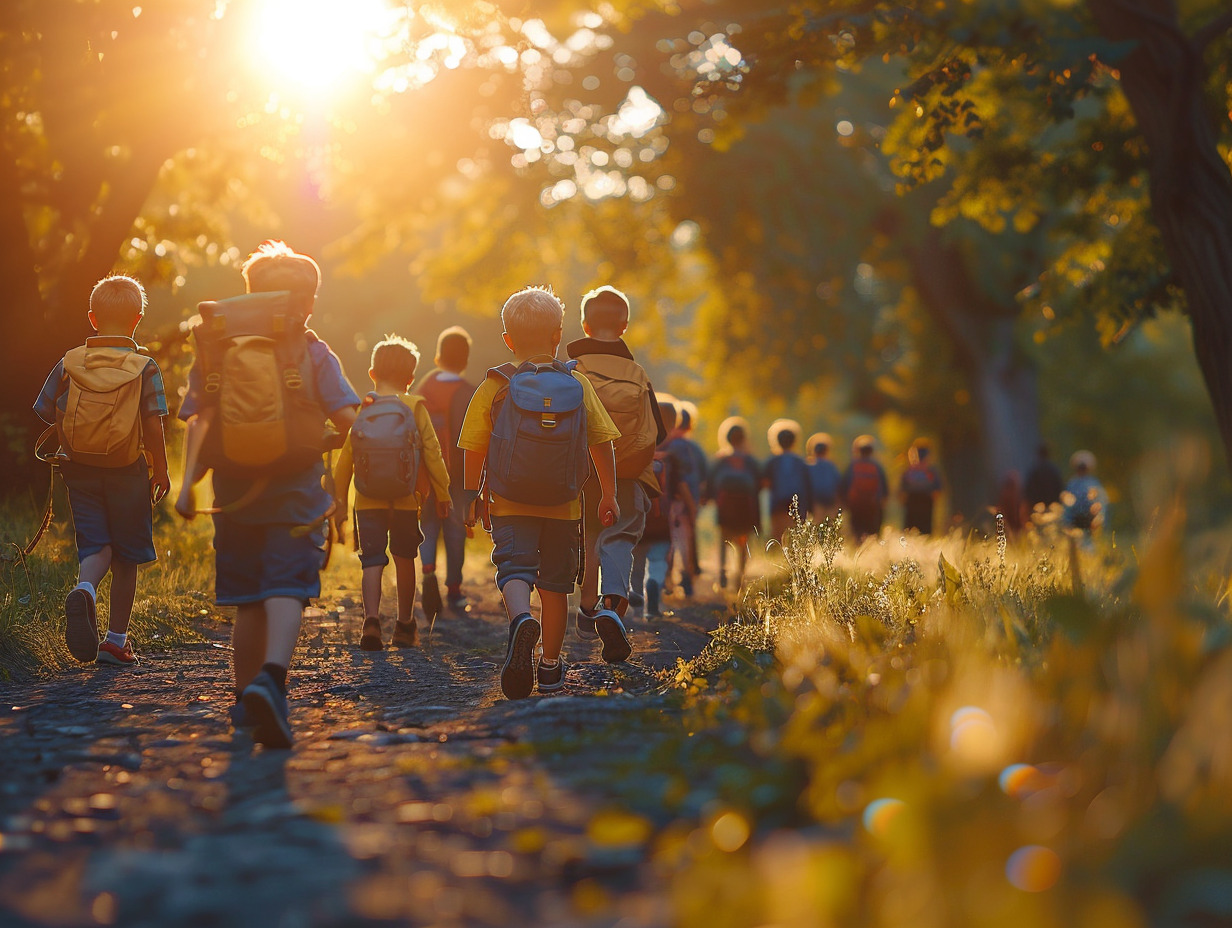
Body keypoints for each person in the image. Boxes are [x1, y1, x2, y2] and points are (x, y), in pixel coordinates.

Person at [176, 241, 361, 748]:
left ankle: (243, 703)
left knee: (247, 598)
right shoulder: (313, 351)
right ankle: (271, 680)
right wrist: (333, 439)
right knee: (287, 585)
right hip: (297, 484)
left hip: (232, 488)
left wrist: (188, 484)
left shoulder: (217, 347)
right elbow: (348, 420)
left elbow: (200, 417)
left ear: (251, 294)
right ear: (309, 303)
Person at [459, 286, 621, 699]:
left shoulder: (496, 385)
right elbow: (601, 442)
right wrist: (608, 495)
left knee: (513, 568)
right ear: (557, 335)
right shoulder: (577, 383)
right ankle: (549, 666)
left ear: (508, 339)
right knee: (555, 585)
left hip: (509, 501)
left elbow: (474, 446)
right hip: (564, 504)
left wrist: (470, 495)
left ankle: (518, 621)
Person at [33, 275, 170, 667]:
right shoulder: (145, 366)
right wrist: (159, 468)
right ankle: (115, 641)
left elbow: (46, 410)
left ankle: (86, 589)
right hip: (127, 470)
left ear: (93, 318)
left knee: (96, 544)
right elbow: (152, 422)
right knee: (127, 555)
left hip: (79, 468)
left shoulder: (70, 360)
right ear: (137, 320)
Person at [332, 335, 451, 651]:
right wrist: (443, 494)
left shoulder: (363, 409)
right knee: (404, 558)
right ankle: (404, 624)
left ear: (372, 373)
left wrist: (340, 500)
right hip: (405, 500)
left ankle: (370, 621)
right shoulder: (414, 406)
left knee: (371, 560)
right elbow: (433, 453)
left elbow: (346, 459)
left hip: (367, 500)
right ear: (411, 379)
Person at [568, 286, 667, 636]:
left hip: (581, 470)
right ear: (624, 326)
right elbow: (659, 431)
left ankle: (584, 608)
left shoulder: (573, 369)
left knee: (590, 535)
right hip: (625, 470)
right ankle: (611, 606)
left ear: (585, 325)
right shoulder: (637, 373)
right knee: (619, 537)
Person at [415, 326, 478, 617]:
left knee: (427, 525)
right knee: (455, 531)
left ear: (439, 355)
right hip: (459, 476)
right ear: (465, 359)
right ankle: (453, 589)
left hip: (426, 473)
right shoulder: (468, 392)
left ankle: (428, 573)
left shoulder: (425, 387)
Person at [634, 397, 692, 618]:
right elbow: (681, 487)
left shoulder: (640, 443)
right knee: (658, 558)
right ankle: (655, 584)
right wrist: (689, 508)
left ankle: (636, 596)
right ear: (675, 422)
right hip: (663, 519)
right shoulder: (673, 454)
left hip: (639, 514)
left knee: (637, 559)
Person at [709, 417, 761, 590]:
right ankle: (740, 575)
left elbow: (710, 485)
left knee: (724, 540)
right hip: (746, 510)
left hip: (726, 510)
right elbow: (759, 486)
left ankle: (723, 573)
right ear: (743, 438)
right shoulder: (750, 461)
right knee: (742, 543)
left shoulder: (721, 461)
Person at [763, 419, 813, 541]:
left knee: (778, 538)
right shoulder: (801, 462)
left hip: (777, 505)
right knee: (795, 539)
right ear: (794, 441)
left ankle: (776, 559)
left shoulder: (771, 462)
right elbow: (808, 486)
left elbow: (765, 484)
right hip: (798, 504)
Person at [675, 401, 708, 581]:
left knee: (670, 541)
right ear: (689, 425)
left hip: (670, 500)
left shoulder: (665, 446)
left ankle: (667, 580)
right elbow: (704, 475)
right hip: (691, 500)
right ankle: (688, 572)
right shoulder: (694, 448)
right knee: (688, 538)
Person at [841, 435, 888, 543]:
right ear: (871, 451)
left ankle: (858, 552)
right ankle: (871, 552)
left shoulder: (853, 466)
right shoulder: (877, 466)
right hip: (872, 503)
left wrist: (844, 502)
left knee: (857, 531)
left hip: (856, 504)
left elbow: (844, 485)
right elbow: (884, 488)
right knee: (872, 532)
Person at [900, 439, 943, 535]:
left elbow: (903, 487)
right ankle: (925, 542)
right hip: (926, 499)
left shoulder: (909, 470)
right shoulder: (931, 469)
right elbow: (937, 488)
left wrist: (903, 498)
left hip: (912, 499)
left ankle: (910, 542)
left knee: (910, 526)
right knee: (925, 526)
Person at [1061, 449, 1109, 534]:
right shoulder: (1075, 483)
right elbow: (1067, 503)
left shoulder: (1089, 482)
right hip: (1076, 520)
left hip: (1088, 520)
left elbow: (1100, 502)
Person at [806, 432, 842, 522]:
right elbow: (838, 484)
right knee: (828, 525)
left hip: (815, 502)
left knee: (816, 525)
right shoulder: (831, 466)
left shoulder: (808, 466)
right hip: (830, 502)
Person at [1024, 442, 1064, 514]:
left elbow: (1029, 490)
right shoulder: (1054, 470)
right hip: (1052, 507)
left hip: (1037, 508)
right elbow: (1060, 488)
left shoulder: (1034, 470)